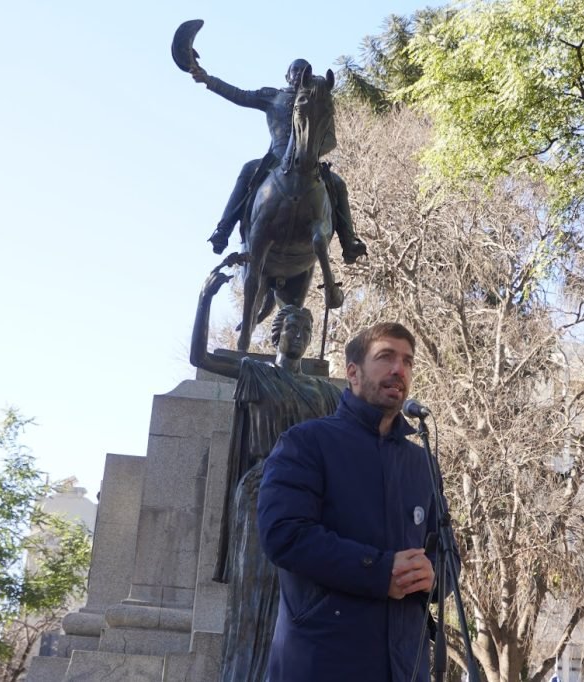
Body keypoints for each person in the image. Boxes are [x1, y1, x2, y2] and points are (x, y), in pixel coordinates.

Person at [190, 256, 342, 682]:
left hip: (307, 501)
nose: (300, 336)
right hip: (261, 488)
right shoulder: (255, 372)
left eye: (306, 331)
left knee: (297, 595)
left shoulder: (324, 393)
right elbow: (199, 356)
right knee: (254, 593)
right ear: (277, 334)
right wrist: (205, 301)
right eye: (292, 328)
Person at [258, 322, 438, 682]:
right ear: (352, 373)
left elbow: (446, 556)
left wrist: (433, 576)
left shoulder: (422, 463)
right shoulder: (306, 442)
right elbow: (283, 535)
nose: (399, 369)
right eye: (385, 357)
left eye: (407, 361)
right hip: (323, 662)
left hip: (406, 667)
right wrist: (380, 571)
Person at [191, 59, 367, 264]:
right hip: (275, 159)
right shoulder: (273, 96)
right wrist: (208, 80)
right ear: (287, 76)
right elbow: (239, 95)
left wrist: (310, 152)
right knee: (248, 169)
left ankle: (348, 242)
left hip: (309, 161)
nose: (299, 73)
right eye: (295, 70)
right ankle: (224, 229)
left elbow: (330, 139)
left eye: (303, 71)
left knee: (337, 183)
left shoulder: (318, 102)